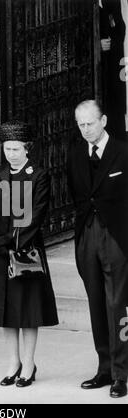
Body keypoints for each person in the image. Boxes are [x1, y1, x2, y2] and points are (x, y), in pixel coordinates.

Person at [0, 120, 58, 387]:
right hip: (0, 251)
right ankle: (13, 362)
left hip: (25, 250)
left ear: (27, 149)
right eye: (7, 148)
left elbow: (35, 216)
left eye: (16, 148)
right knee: (6, 310)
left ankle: (28, 363)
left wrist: (10, 240)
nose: (11, 153)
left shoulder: (39, 175)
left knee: (27, 310)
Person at [67, 99, 128, 398]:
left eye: (90, 123)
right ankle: (104, 368)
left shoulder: (123, 152)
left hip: (116, 235)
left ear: (103, 120)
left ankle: (121, 373)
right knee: (95, 302)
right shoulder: (76, 153)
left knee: (117, 304)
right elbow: (75, 193)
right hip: (87, 234)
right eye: (81, 125)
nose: (86, 130)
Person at [99, 0, 126, 141]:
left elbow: (120, 29)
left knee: (115, 106)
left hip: (113, 65)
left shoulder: (112, 2)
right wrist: (97, 45)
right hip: (96, 70)